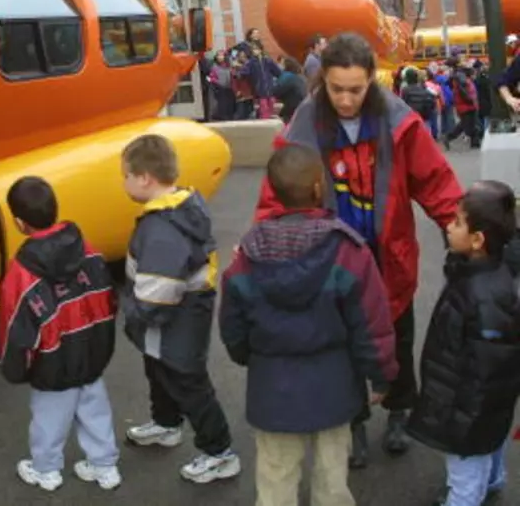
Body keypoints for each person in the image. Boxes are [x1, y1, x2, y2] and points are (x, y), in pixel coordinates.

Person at [254, 33, 462, 469]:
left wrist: (462, 228)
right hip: (332, 260)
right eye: (336, 89)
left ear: (372, 79)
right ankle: (354, 420)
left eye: (356, 88)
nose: (346, 99)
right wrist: (265, 244)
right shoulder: (306, 125)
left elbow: (434, 181)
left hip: (391, 257)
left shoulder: (399, 121)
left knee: (397, 340)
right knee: (344, 344)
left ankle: (400, 409)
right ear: (321, 83)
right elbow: (280, 191)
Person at [221, 144, 397, 506]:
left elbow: (232, 325)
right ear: (319, 187)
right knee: (332, 480)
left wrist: (248, 355)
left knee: (275, 481)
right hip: (334, 385)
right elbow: (371, 321)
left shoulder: (247, 257)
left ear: (273, 189)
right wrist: (380, 374)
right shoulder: (348, 251)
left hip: (272, 389)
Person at [119, 134, 240, 484]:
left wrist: (137, 318)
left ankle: (220, 452)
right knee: (158, 370)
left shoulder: (160, 228)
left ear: (144, 178)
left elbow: (159, 293)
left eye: (125, 175)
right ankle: (166, 423)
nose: (123, 182)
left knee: (187, 380)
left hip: (171, 321)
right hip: (181, 315)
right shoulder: (181, 207)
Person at [0, 176, 120, 492]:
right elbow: (110, 297)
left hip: (53, 360)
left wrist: (16, 369)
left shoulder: (20, 272)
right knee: (95, 409)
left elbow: (16, 330)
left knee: (49, 419)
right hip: (93, 350)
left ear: (19, 223)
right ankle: (105, 466)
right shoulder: (88, 249)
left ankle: (46, 470)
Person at [407, 180, 520, 506]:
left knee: (465, 475)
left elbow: (485, 366)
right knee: (491, 442)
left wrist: (462, 416)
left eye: (457, 222)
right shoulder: (488, 277)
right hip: (486, 406)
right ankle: (494, 481)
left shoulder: (479, 294)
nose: (448, 225)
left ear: (477, 240)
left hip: (468, 409)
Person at [273, 57, 307, 123]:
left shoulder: (287, 76)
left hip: (292, 107)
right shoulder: (299, 76)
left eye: (281, 64)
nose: (279, 65)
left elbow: (276, 91)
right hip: (301, 105)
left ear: (286, 66)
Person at [208, 49, 236, 121]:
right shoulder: (214, 67)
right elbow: (210, 77)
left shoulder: (229, 65)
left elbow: (234, 53)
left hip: (229, 88)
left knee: (230, 104)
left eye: (221, 55)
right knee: (222, 104)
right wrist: (216, 81)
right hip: (220, 88)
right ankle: (222, 117)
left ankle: (230, 117)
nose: (219, 57)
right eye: (218, 55)